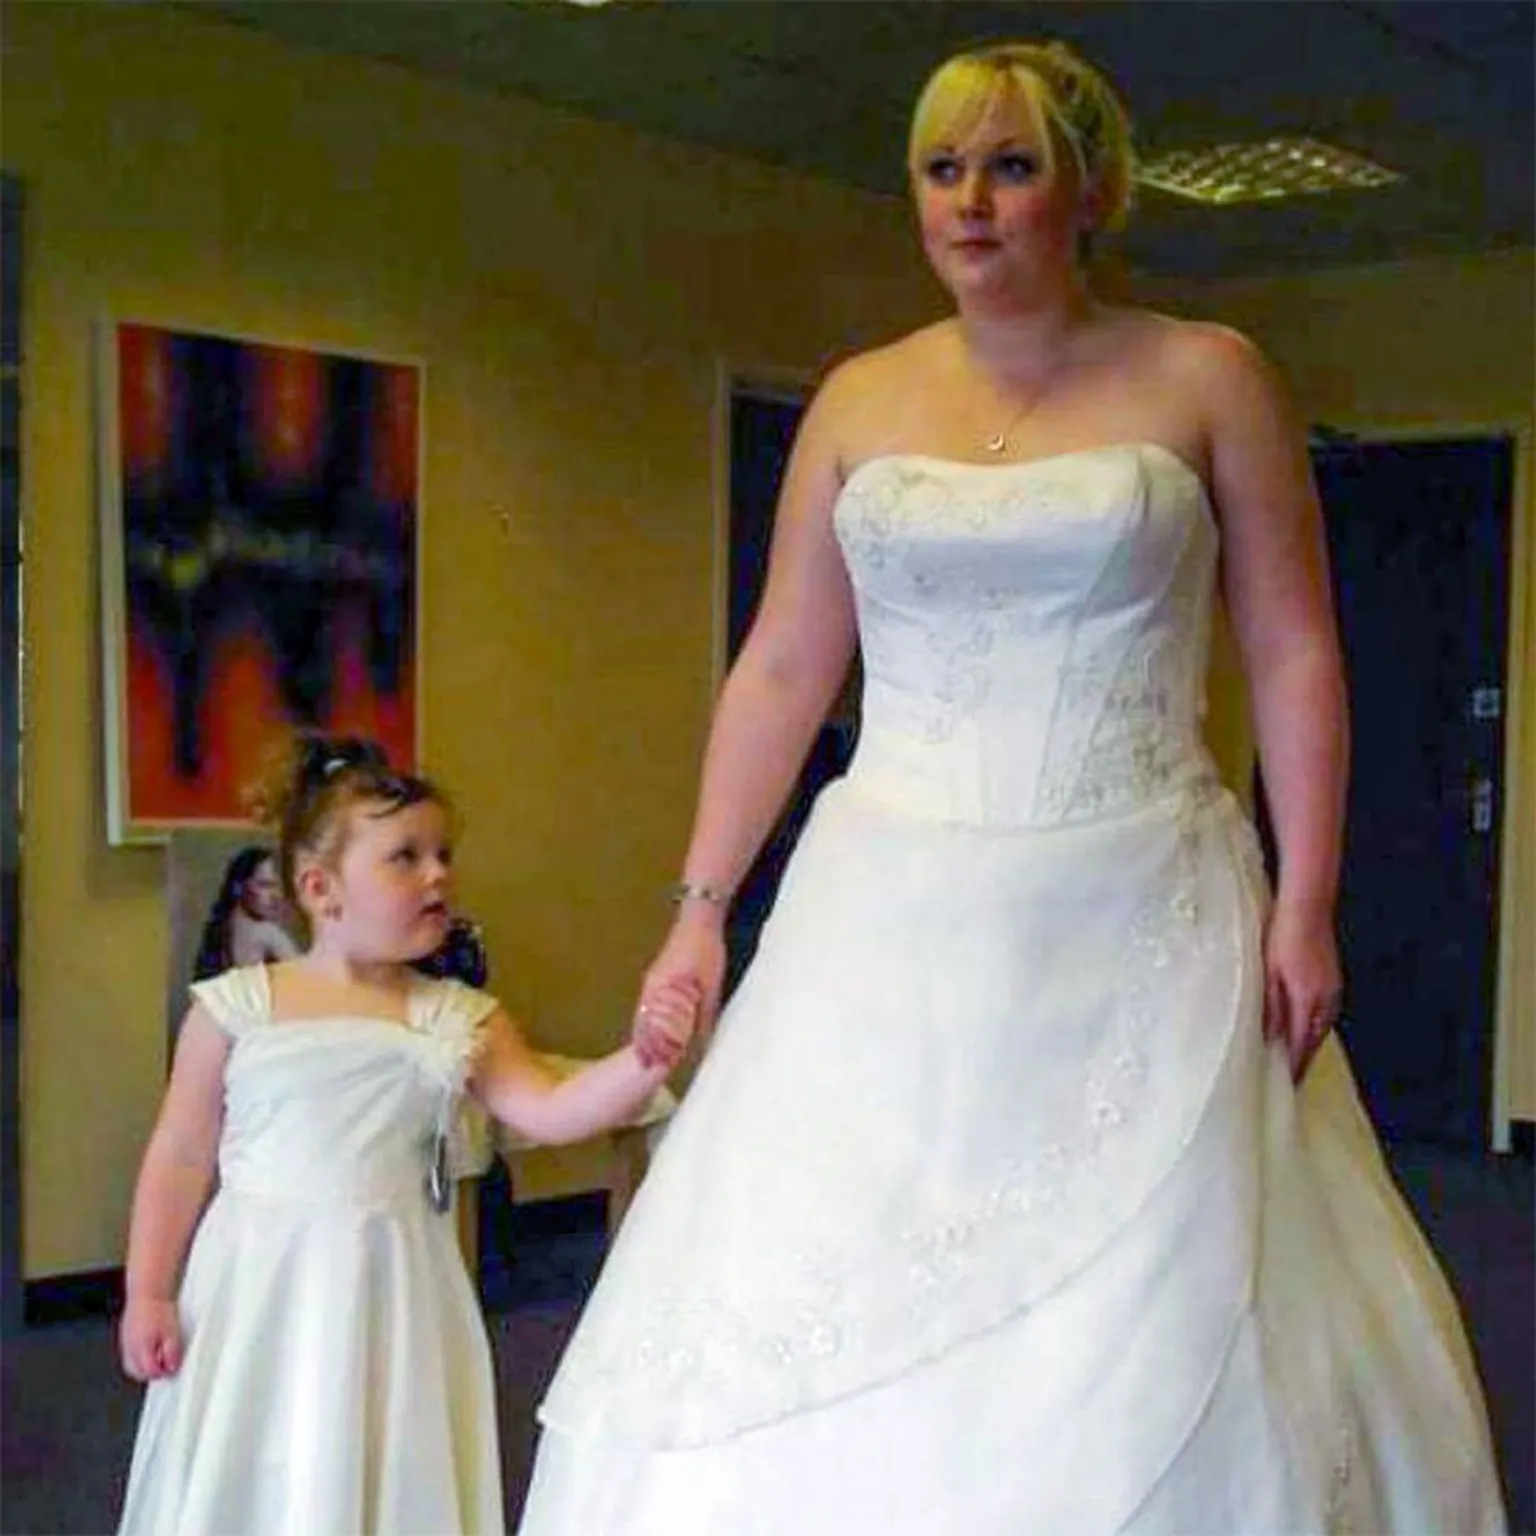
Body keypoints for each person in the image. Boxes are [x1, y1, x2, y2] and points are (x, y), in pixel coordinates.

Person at [518, 39, 1508, 1536]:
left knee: (1165, 1271)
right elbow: (785, 667)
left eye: (1011, 166)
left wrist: (1307, 901)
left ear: (1091, 189)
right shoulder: (859, 401)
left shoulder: (1208, 375)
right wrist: (699, 910)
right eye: (939, 170)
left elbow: (1297, 651)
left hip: (1139, 892)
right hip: (886, 902)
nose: (970, 204)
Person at [116, 733, 698, 1535]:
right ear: (322, 890)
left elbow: (549, 1108)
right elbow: (180, 1153)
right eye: (406, 857)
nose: (438, 875)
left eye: (443, 854)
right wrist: (148, 1289)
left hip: (393, 1283)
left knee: (379, 1446)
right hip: (256, 1283)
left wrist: (641, 1059)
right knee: (261, 1447)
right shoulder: (234, 1009)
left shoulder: (459, 1016)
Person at [189, 845, 300, 980]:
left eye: (276, 886)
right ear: (239, 886)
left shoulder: (223, 927)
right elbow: (304, 985)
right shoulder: (267, 933)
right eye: (264, 885)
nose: (275, 895)